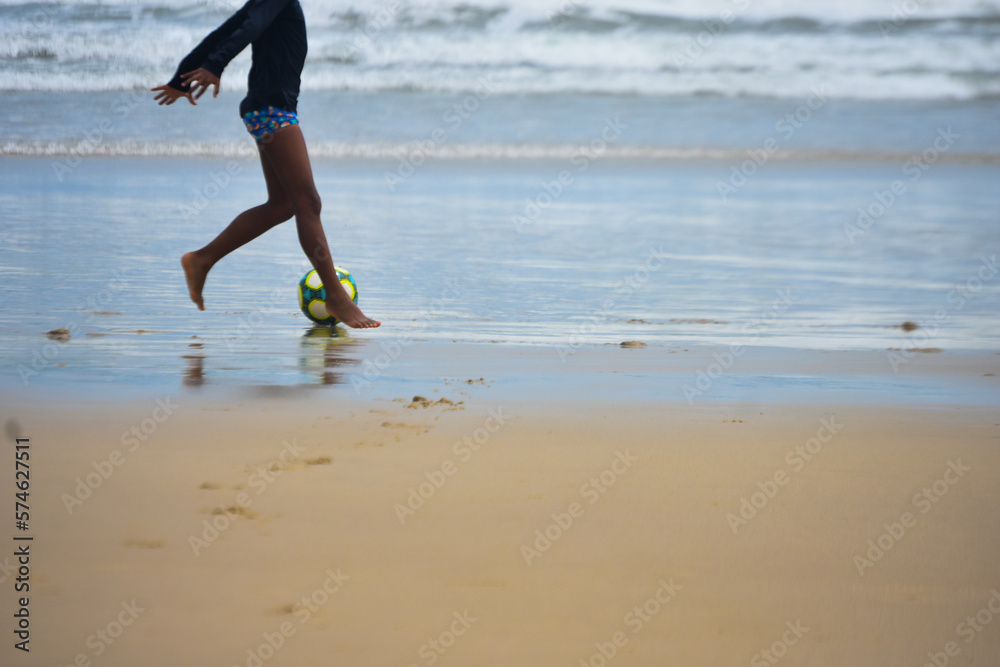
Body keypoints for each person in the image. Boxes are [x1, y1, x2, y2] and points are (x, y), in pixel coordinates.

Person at [152, 0, 380, 328]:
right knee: (308, 203)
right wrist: (213, 65)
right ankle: (335, 295)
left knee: (284, 204)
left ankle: (201, 260)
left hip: (269, 108)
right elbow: (247, 29)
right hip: (272, 109)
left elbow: (225, 31)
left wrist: (181, 78)